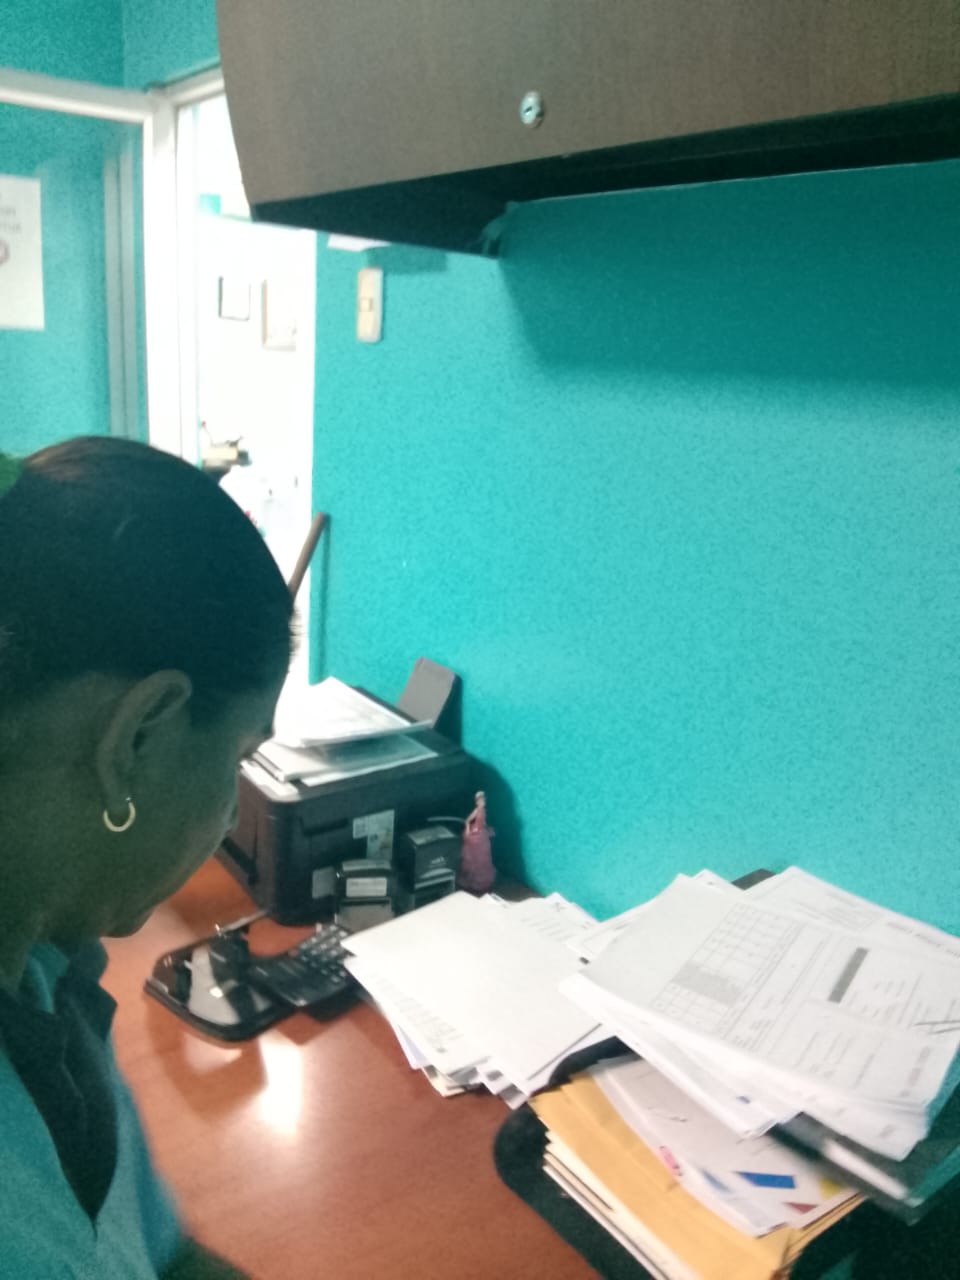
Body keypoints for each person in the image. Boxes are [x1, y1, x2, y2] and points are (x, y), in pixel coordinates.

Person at [0, 436, 294, 1278]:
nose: (230, 812)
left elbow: (163, 1258)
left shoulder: (49, 969)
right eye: (239, 757)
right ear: (138, 736)